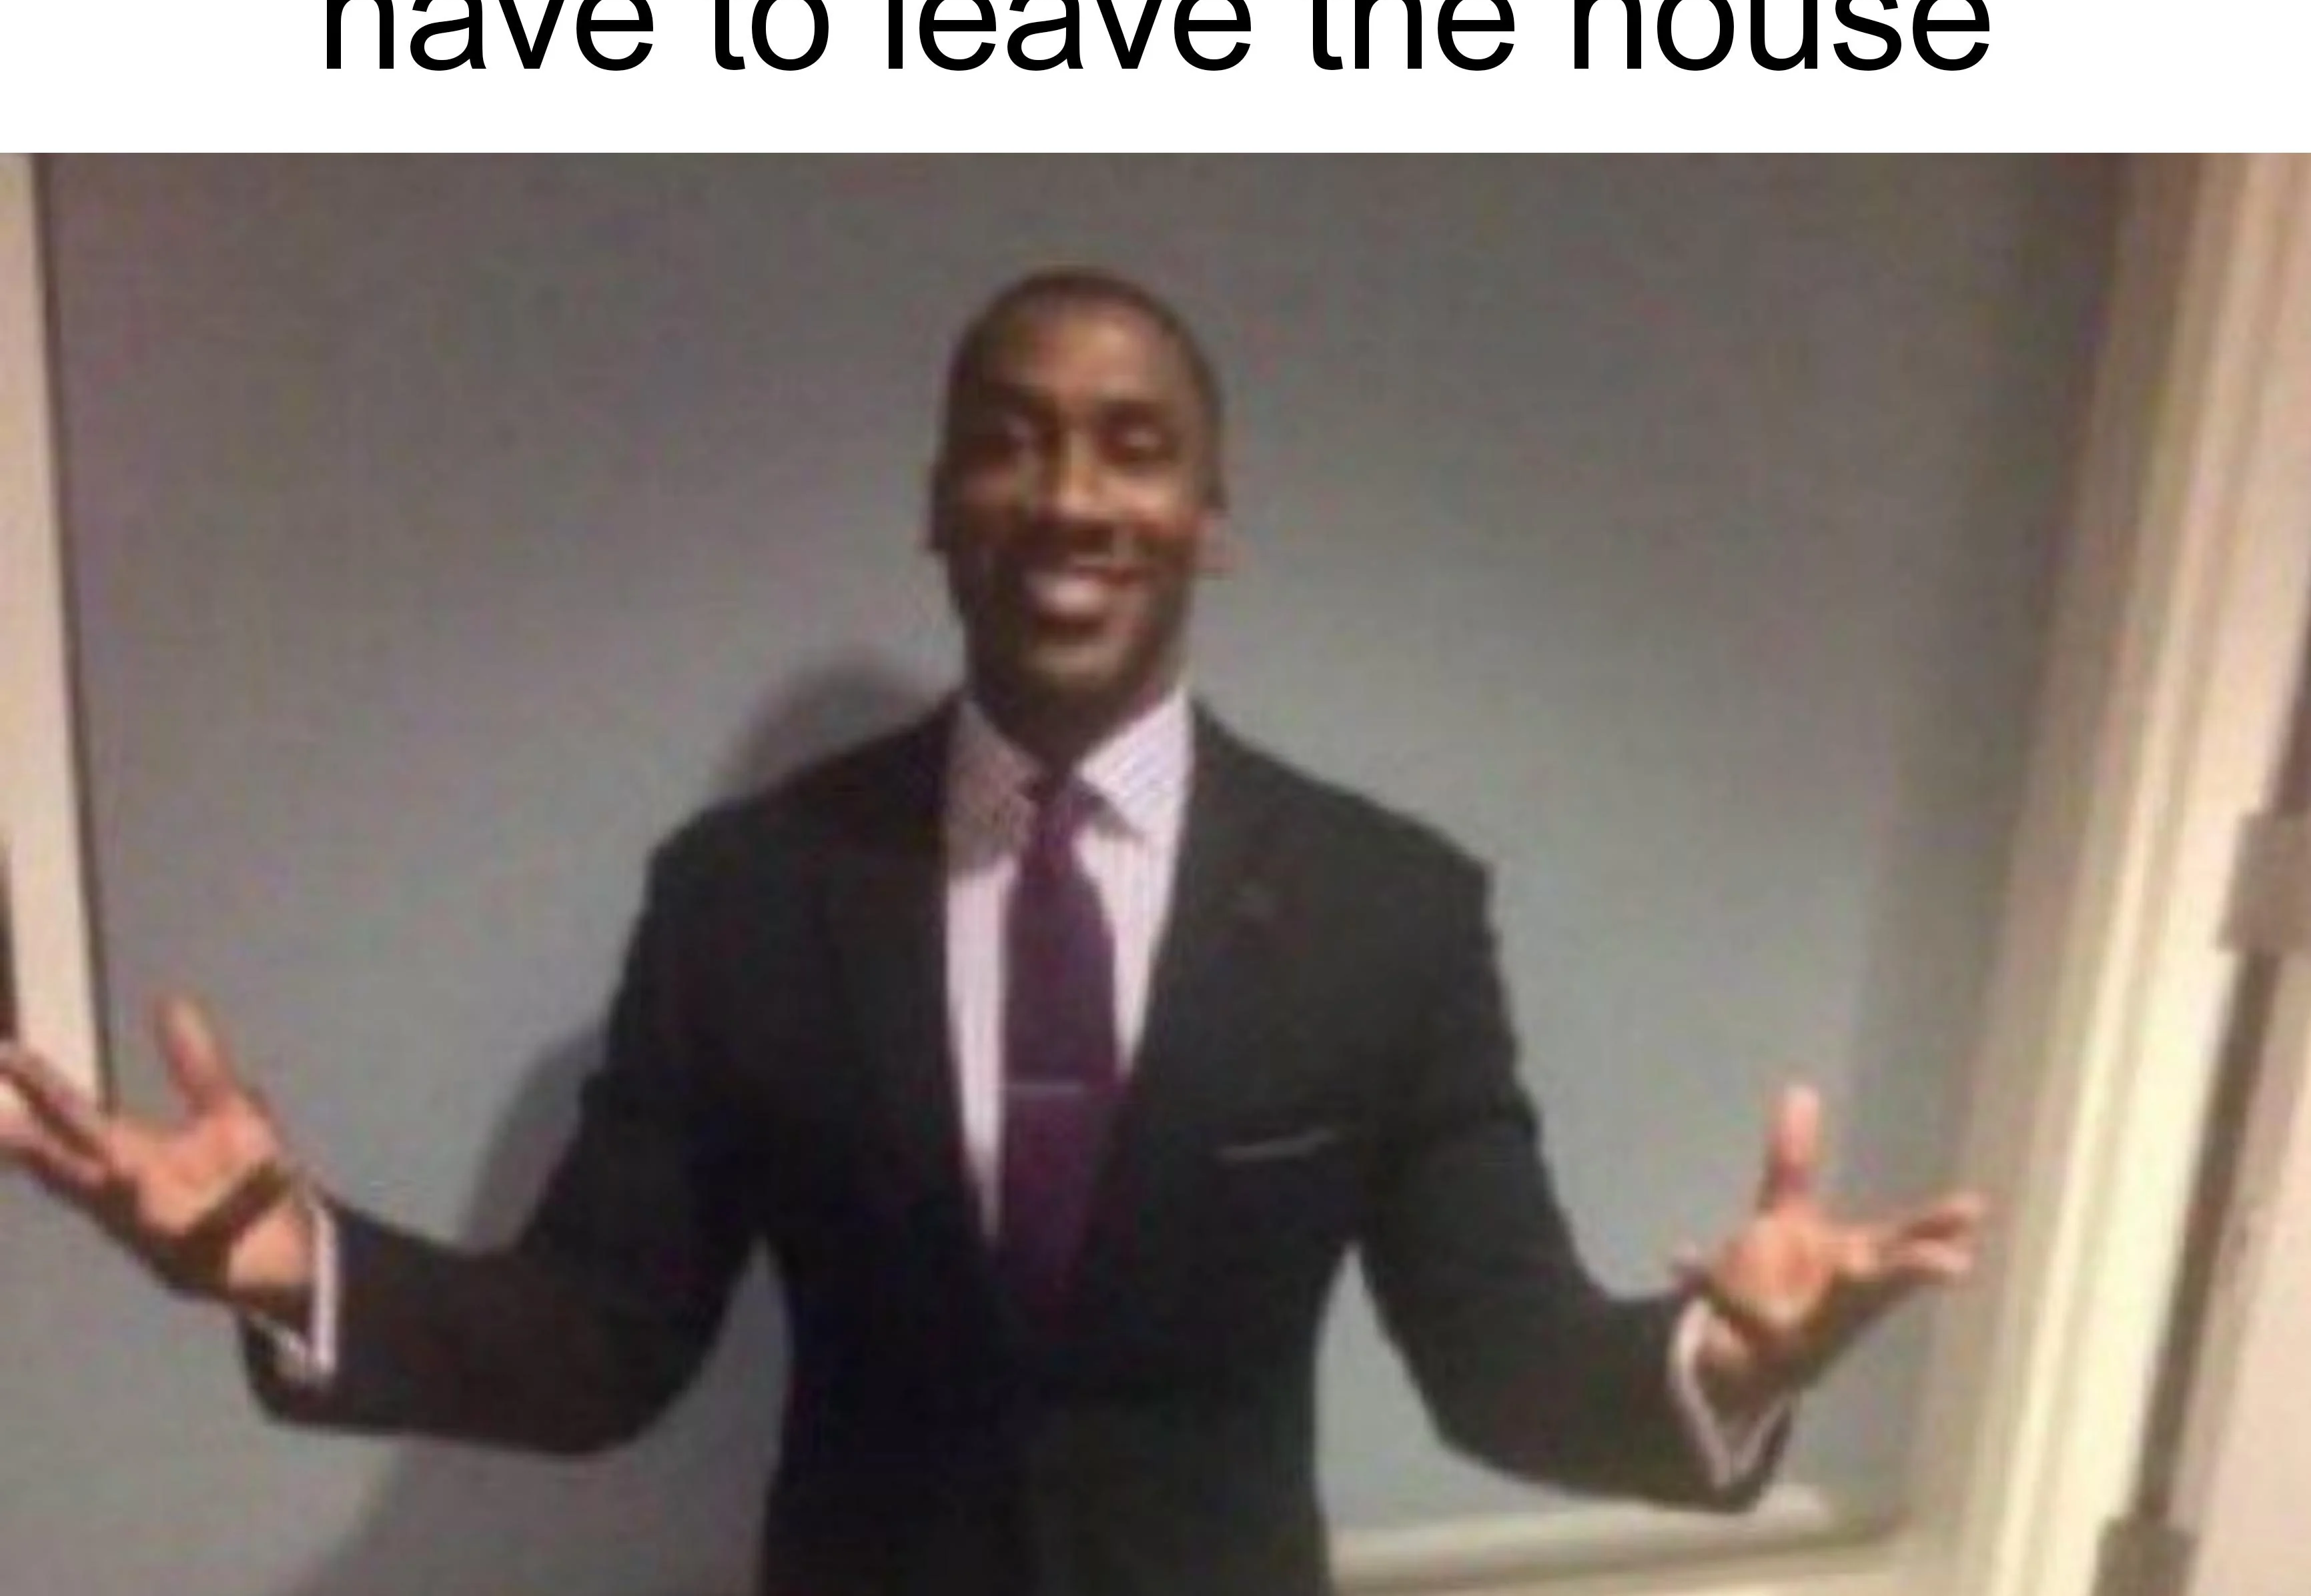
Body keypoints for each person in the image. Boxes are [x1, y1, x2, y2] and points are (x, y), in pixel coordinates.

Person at [0, 268, 1985, 1596]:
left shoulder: (1390, 911)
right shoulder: (745, 895)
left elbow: (1502, 1359)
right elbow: (601, 1341)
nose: (1072, 497)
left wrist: (1728, 1362)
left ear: (1212, 516)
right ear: (939, 502)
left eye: (1137, 446)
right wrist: (296, 1264)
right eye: (1012, 439)